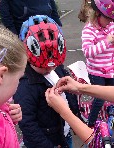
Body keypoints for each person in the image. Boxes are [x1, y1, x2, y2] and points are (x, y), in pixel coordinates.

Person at [13, 15, 79, 148]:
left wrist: (76, 114)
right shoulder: (25, 84)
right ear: (29, 55)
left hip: (64, 133)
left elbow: (68, 96)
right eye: (43, 66)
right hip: (48, 141)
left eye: (54, 64)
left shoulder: (58, 68)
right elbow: (28, 124)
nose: (50, 68)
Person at [81, 0, 114, 127]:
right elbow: (88, 52)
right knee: (99, 99)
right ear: (98, 14)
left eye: (113, 19)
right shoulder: (89, 29)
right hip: (97, 71)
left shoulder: (110, 26)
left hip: (110, 69)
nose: (111, 22)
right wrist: (106, 42)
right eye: (109, 18)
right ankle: (91, 123)